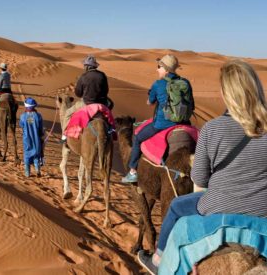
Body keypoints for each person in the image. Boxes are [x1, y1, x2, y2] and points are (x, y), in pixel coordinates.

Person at [137, 59, 267, 275]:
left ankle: (158, 260)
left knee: (178, 206)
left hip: (218, 204)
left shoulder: (212, 129)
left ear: (227, 93)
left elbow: (199, 181)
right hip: (263, 208)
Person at [121, 54, 193, 183]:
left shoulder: (158, 84)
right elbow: (191, 104)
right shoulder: (185, 83)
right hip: (184, 122)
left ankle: (132, 171)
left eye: (159, 67)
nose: (157, 69)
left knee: (137, 138)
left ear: (166, 69)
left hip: (162, 124)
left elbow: (150, 102)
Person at [60, 55, 109, 142]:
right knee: (109, 114)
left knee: (67, 113)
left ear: (87, 66)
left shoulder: (83, 77)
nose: (84, 67)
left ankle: (64, 136)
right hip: (101, 104)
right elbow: (106, 91)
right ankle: (110, 130)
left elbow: (78, 94)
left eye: (85, 65)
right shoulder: (102, 75)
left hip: (86, 103)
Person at [19, 97, 44, 177]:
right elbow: (41, 129)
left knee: (27, 154)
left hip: (27, 139)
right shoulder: (38, 116)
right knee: (36, 154)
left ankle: (27, 173)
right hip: (37, 139)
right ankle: (37, 171)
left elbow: (21, 126)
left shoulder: (22, 116)